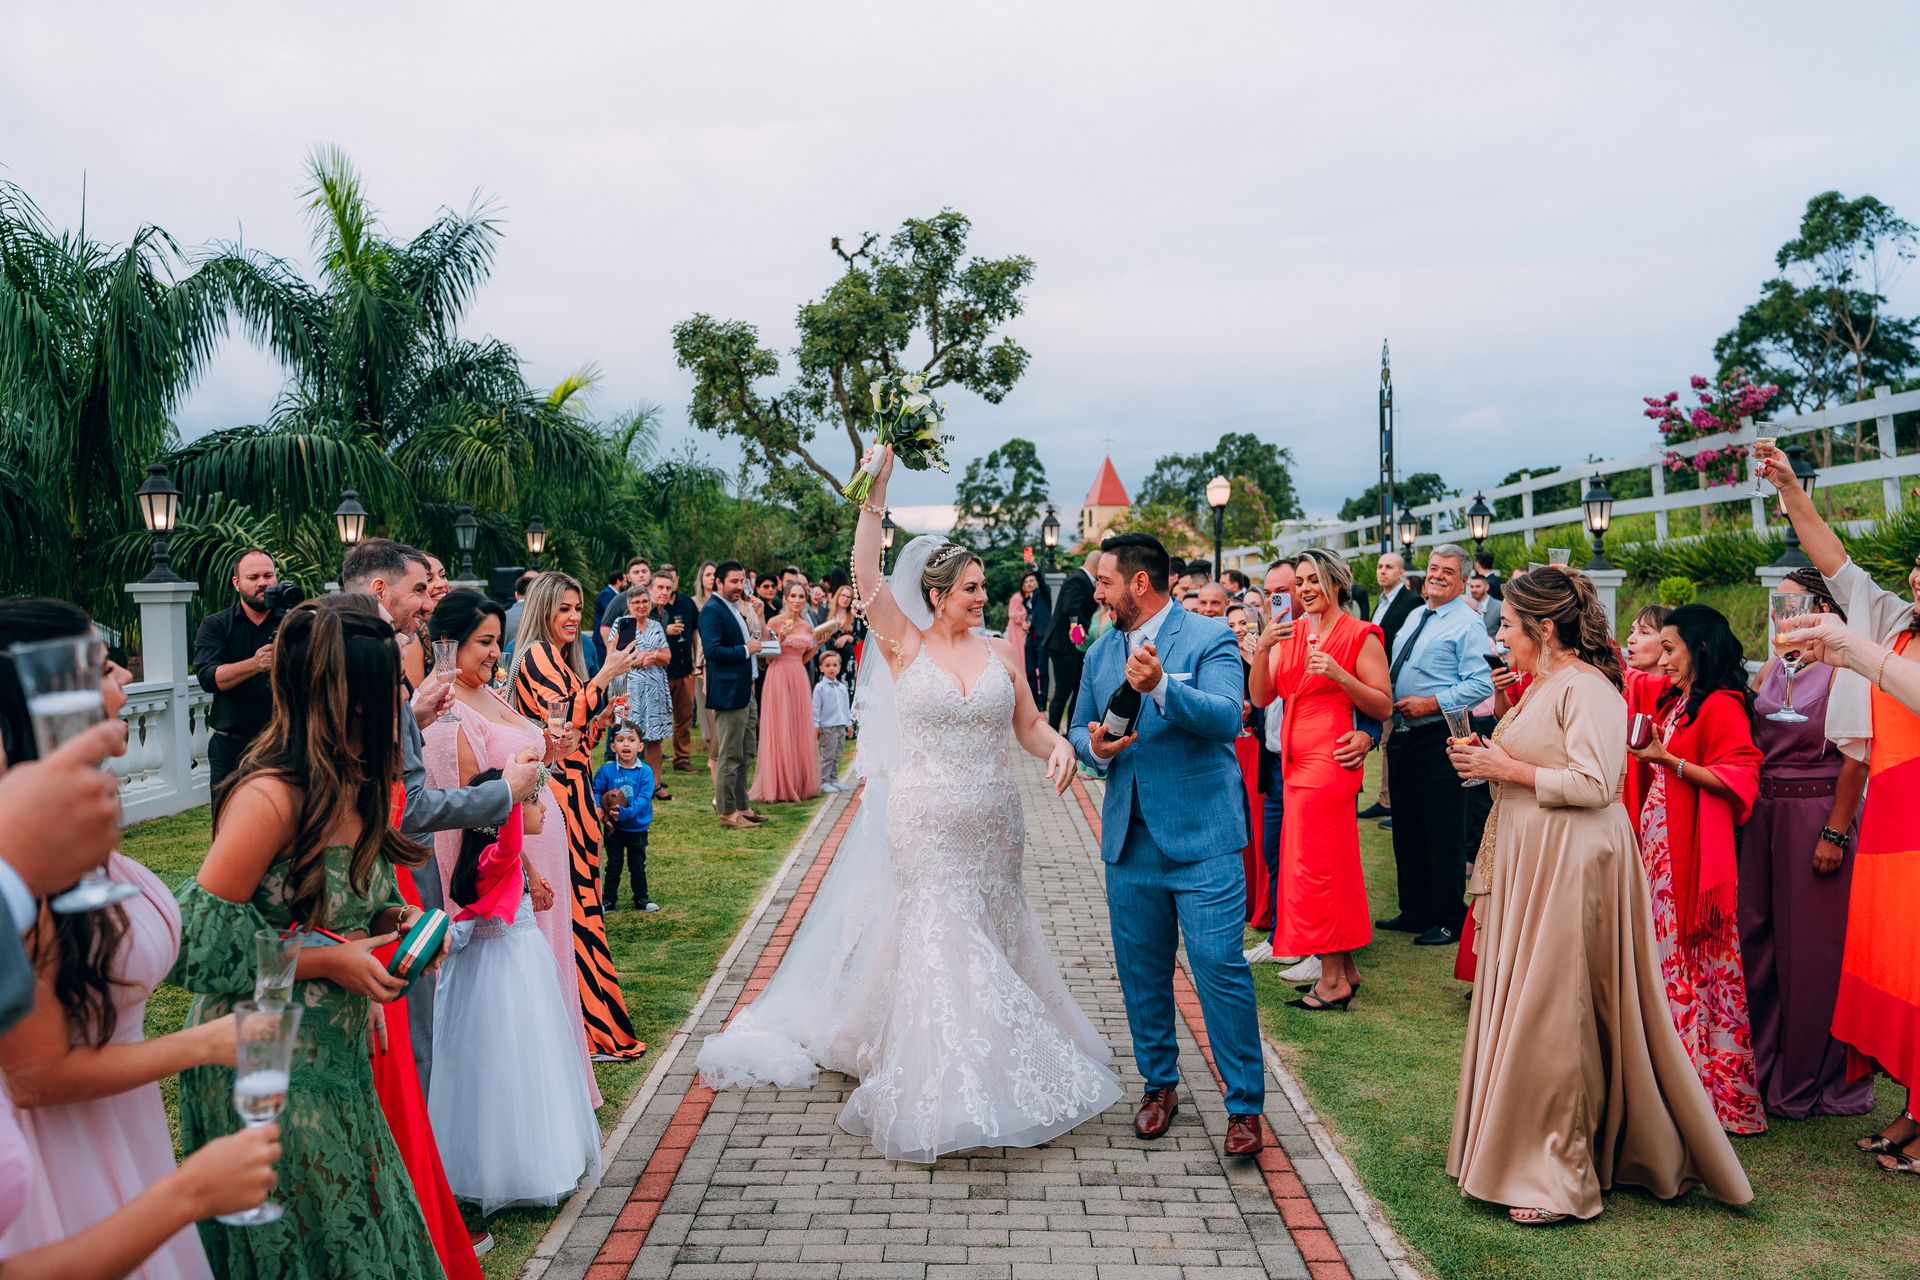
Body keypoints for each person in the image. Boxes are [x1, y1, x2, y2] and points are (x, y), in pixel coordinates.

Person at [698, 446, 1121, 1163]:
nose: (982, 597)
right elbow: (865, 576)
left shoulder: (1001, 656)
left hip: (994, 824)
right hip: (924, 822)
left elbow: (1026, 724)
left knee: (990, 929)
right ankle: (949, 1080)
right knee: (941, 936)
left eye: (983, 587)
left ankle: (944, 1041)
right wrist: (875, 494)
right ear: (937, 593)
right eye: (970, 588)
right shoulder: (904, 646)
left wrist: (1056, 745)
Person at [1445, 567, 1753, 1225]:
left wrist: (1507, 767)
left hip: (1575, 858)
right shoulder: (1544, 684)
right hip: (1538, 854)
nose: (1499, 638)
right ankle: (1525, 1147)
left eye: (1506, 625)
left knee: (1559, 1013)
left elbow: (1595, 782)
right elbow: (1535, 768)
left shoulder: (1590, 689)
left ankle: (1559, 1173)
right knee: (1536, 1001)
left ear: (1544, 628)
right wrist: (1488, 767)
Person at [171, 598, 444, 1278]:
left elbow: (360, 902)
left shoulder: (356, 783)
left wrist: (396, 924)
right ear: (348, 699)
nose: (399, 710)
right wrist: (332, 963)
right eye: (389, 693)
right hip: (260, 1061)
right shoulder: (269, 797)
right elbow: (197, 944)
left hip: (338, 1055)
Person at [0, 602, 226, 1279]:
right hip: (68, 1160)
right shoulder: (29, 861)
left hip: (130, 1128)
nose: (128, 675)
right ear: (48, 694)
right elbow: (35, 1075)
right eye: (102, 667)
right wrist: (205, 1044)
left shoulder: (72, 831)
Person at [1070, 531, 1267, 1158]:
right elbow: (1077, 726)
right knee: (1142, 973)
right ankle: (1159, 1087)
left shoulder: (1207, 636)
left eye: (1102, 580)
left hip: (1203, 836)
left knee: (1219, 968)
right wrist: (1092, 748)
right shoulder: (1100, 652)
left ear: (1137, 583)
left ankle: (1245, 1107)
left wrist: (1160, 687)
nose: (1095, 590)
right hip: (1130, 839)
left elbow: (1226, 717)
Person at [1759, 439, 1920, 1170]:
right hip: (1892, 816)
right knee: (1900, 969)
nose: (1917, 573)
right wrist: (1792, 491)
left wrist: (1858, 654)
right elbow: (1835, 564)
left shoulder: (1882, 643)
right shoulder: (1897, 622)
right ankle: (1913, 1110)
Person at [419, 589, 598, 1104]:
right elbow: (466, 815)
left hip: (538, 848)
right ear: (448, 644)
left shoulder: (489, 692)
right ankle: (520, 1105)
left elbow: (518, 759)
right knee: (516, 990)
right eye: (485, 642)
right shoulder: (446, 710)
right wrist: (523, 871)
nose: (497, 652)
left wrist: (549, 745)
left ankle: (557, 1096)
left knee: (548, 972)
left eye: (499, 640)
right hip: (504, 867)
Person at [430, 775, 602, 1214]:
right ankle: (520, 1168)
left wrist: (531, 869)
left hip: (506, 965)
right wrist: (508, 788)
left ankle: (527, 1160)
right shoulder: (497, 855)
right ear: (505, 815)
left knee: (520, 1063)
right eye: (532, 800)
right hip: (508, 971)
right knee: (513, 1064)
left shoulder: (492, 859)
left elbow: (511, 853)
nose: (543, 808)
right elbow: (508, 845)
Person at [1737, 568, 1874, 1120]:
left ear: (1822, 609)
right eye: (1778, 606)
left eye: (1791, 605)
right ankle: (1764, 1065)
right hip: (1764, 817)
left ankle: (1814, 1075)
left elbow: (1855, 758)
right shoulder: (1778, 664)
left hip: (1817, 813)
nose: (1781, 616)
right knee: (1759, 939)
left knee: (1811, 951)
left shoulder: (1845, 671)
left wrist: (1835, 831)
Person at [1626, 604, 1766, 1135]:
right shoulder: (1679, 699)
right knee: (1668, 966)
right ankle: (1677, 1089)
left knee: (1695, 969)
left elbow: (1740, 776)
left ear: (1699, 649)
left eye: (1669, 649)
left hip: (1692, 860)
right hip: (1660, 848)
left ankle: (1709, 1098)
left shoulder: (1723, 704)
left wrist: (1668, 761)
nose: (1661, 659)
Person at [511, 572, 649, 1062]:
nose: (572, 617)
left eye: (577, 609)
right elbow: (564, 718)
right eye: (563, 608)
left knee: (584, 910)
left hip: (575, 791)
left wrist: (599, 719)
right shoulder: (536, 656)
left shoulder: (557, 658)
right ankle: (588, 1028)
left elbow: (574, 734)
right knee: (577, 912)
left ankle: (591, 1022)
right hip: (559, 802)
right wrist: (604, 678)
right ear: (544, 609)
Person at [1251, 550, 1391, 1011]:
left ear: (1337, 584)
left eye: (1315, 580)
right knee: (1324, 865)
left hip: (1329, 761)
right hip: (1294, 763)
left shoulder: (1360, 635)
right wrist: (1265, 646)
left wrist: (1340, 675)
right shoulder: (1292, 634)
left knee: (1319, 870)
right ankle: (1345, 968)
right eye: (1302, 581)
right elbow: (1262, 695)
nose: (1306, 588)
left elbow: (1383, 705)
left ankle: (1332, 981)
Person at [1377, 545, 1495, 946]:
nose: (1437, 576)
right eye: (1432, 569)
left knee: (1443, 829)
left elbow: (1481, 683)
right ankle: (1415, 910)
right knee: (1407, 826)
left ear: (1463, 580)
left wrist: (1430, 703)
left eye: (1448, 571)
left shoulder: (1468, 623)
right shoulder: (1415, 614)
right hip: (1405, 736)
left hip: (1440, 736)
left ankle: (1447, 916)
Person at [194, 549, 281, 799]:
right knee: (226, 822)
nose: (263, 582)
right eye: (253, 577)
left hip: (282, 743)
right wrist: (255, 664)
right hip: (231, 747)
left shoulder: (293, 621)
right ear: (237, 583)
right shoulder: (216, 625)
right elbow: (209, 678)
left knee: (285, 826)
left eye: (268, 575)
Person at [749, 581, 833, 804]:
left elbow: (803, 657)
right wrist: (782, 639)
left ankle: (798, 782)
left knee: (797, 727)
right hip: (778, 676)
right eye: (793, 596)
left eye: (801, 597)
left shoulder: (807, 626)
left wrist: (816, 647)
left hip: (798, 675)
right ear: (784, 598)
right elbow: (767, 658)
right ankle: (779, 783)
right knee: (781, 727)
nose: (797, 600)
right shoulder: (774, 622)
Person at [699, 562, 767, 830]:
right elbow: (713, 651)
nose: (739, 586)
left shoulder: (733, 608)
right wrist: (745, 649)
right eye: (734, 581)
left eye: (741, 581)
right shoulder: (712, 611)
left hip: (744, 688)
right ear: (719, 582)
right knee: (729, 754)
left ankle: (743, 806)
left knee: (745, 750)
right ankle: (727, 812)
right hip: (728, 692)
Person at [1360, 551, 1421, 822]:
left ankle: (1392, 802)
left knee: (1391, 740)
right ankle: (1385, 798)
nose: (1382, 571)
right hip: (1375, 678)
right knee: (1384, 741)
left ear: (1401, 573)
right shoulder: (1380, 603)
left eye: (1389, 567)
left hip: (1395, 680)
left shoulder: (1412, 601)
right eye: (1380, 566)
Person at [615, 581, 675, 802]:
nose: (641, 606)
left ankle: (654, 785)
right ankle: (628, 785)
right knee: (627, 737)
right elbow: (620, 657)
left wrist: (649, 655)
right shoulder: (622, 625)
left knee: (655, 738)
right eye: (636, 602)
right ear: (629, 604)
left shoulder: (656, 626)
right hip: (630, 690)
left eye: (644, 601)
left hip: (655, 691)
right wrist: (645, 657)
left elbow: (667, 657)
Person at [592, 726, 658, 912]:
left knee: (637, 865)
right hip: (614, 828)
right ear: (613, 747)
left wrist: (625, 813)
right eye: (621, 740)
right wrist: (598, 806)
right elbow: (596, 790)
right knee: (613, 864)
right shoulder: (606, 771)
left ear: (640, 746)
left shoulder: (645, 772)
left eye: (631, 739)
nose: (626, 744)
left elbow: (644, 799)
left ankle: (642, 899)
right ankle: (609, 900)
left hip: (637, 828)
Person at [1043, 550, 1101, 731]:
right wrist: (1092, 629)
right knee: (1063, 691)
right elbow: (1070, 609)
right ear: (1097, 566)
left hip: (1074, 648)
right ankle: (1052, 733)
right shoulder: (1078, 579)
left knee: (1076, 690)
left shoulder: (1085, 580)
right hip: (1064, 645)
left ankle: (1071, 732)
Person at [654, 568, 700, 773]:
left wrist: (697, 659)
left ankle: (681, 758)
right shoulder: (650, 609)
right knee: (658, 717)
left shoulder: (687, 603)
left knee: (685, 716)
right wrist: (666, 630)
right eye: (661, 585)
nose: (667, 588)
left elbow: (695, 631)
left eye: (670, 582)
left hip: (684, 669)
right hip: (660, 672)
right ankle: (655, 759)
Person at [813, 649, 853, 793]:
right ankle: (824, 781)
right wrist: (816, 725)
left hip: (840, 725)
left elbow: (845, 707)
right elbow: (816, 708)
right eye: (828, 665)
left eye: (834, 665)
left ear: (839, 667)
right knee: (828, 755)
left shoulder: (842, 687)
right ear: (821, 668)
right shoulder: (820, 688)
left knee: (837, 754)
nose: (831, 668)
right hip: (827, 726)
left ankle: (834, 779)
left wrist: (848, 723)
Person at [1005, 573, 1032, 662]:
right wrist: (1027, 613)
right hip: (1017, 630)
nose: (1028, 584)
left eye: (1031, 581)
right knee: (1020, 655)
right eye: (1025, 582)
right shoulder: (1017, 597)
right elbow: (1012, 614)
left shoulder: (1033, 597)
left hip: (1027, 629)